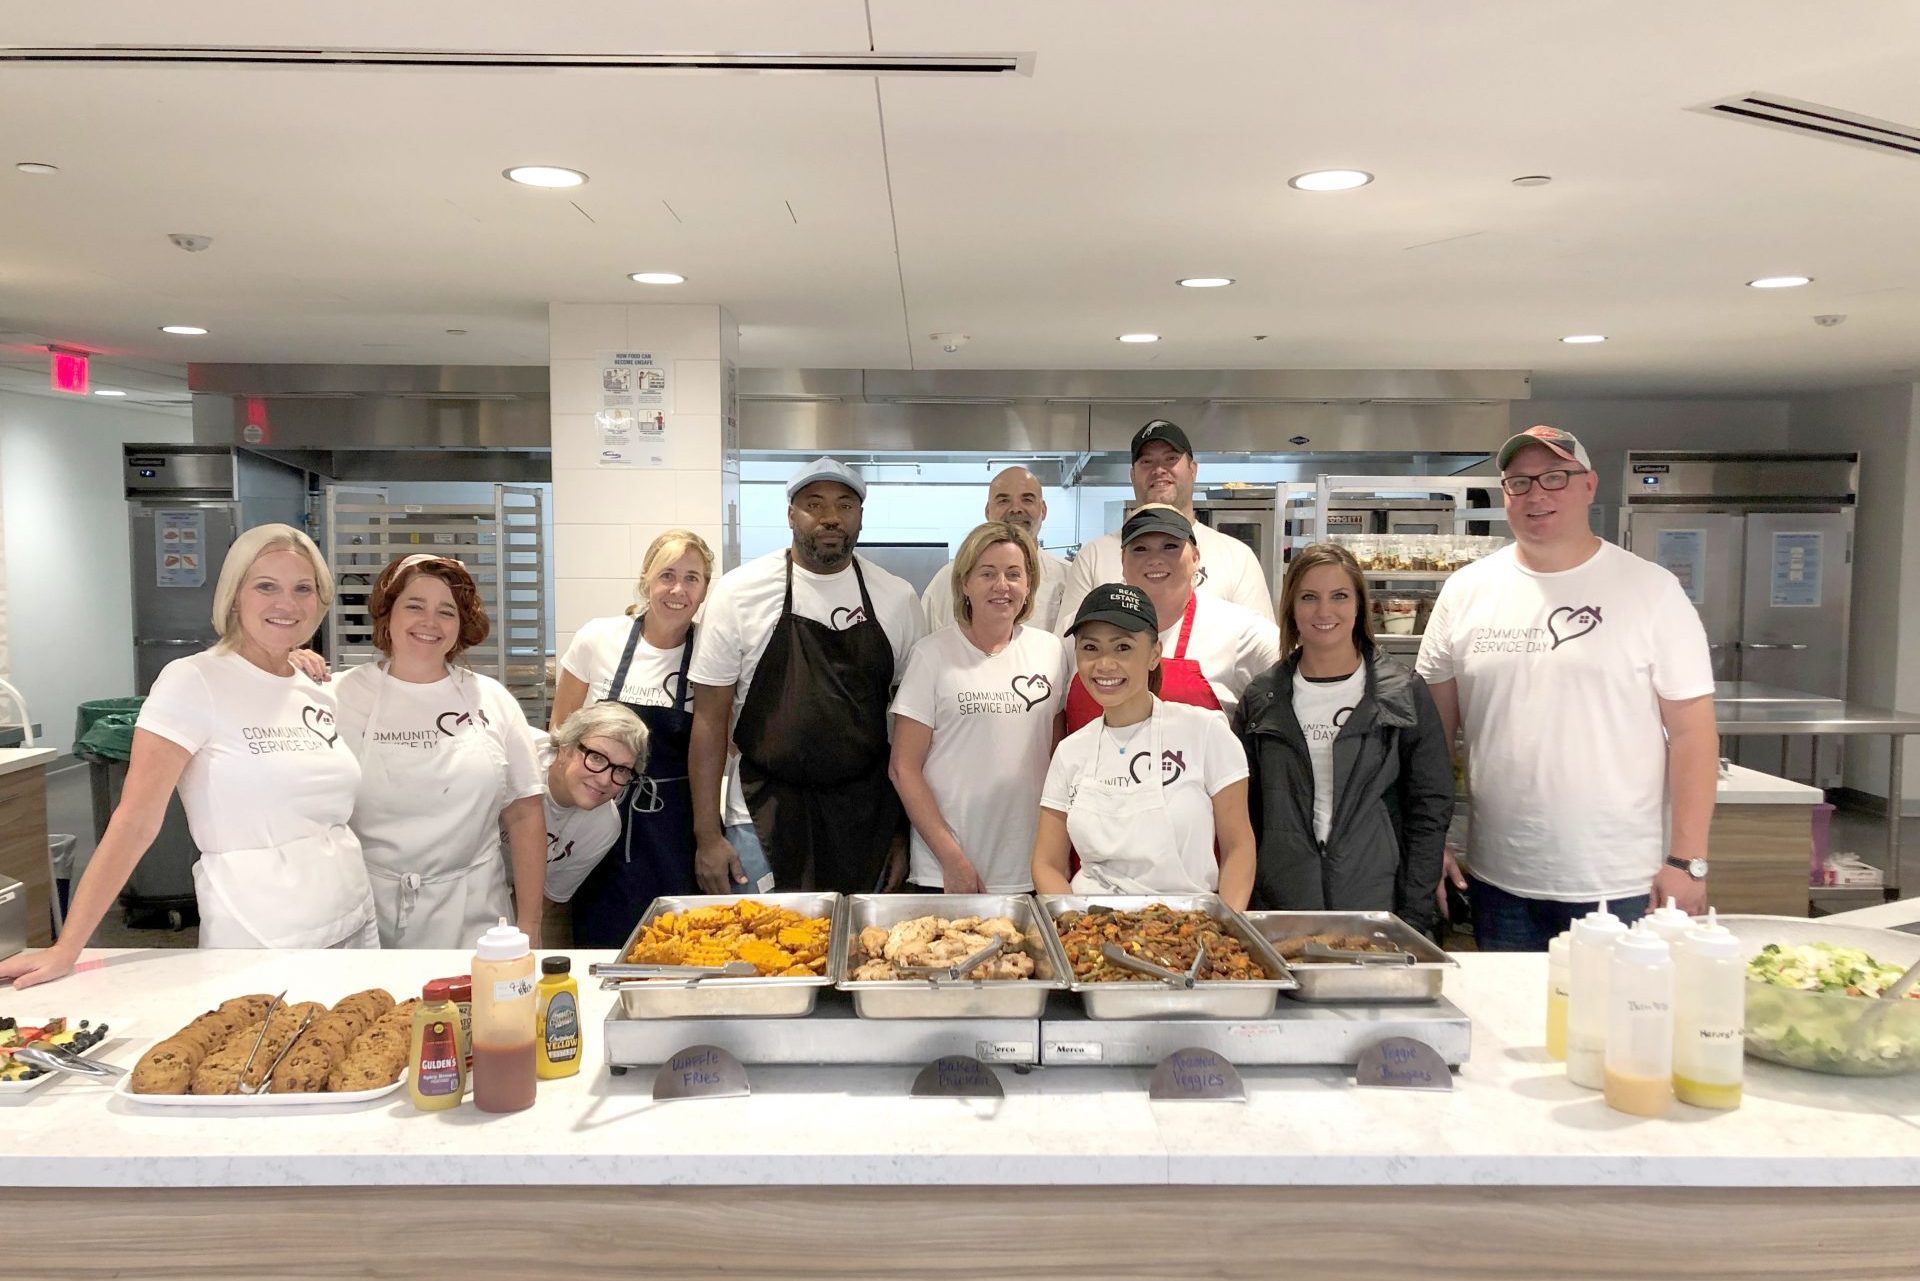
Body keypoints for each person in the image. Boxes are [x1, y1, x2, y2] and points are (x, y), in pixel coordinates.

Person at [1, 525, 377, 988]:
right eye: (266, 586)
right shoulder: (192, 681)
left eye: (304, 588)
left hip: (350, 915)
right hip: (259, 930)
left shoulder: (313, 689)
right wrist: (68, 946)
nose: (288, 604)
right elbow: (135, 820)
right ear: (234, 595)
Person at [1416, 424, 1718, 950]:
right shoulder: (1466, 590)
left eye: (1554, 477)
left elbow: (1694, 735)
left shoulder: (1652, 590)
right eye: (1519, 482)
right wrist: (1430, 840)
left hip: (1622, 882)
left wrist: (1687, 861)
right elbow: (1434, 737)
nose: (1536, 494)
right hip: (1498, 875)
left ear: (1589, 486)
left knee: (1617, 1027)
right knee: (1513, 1026)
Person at [689, 457, 926, 894]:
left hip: (866, 817)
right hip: (760, 813)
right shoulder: (738, 593)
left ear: (859, 516)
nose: (831, 517)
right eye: (814, 504)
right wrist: (707, 835)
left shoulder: (897, 598)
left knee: (862, 954)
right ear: (790, 515)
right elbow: (708, 719)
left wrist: (903, 832)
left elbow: (909, 732)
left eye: (845, 505)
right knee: (764, 956)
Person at [332, 554, 546, 949]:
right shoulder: (339, 696)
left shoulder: (492, 700)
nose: (429, 622)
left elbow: (525, 813)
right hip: (367, 908)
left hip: (473, 909)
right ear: (387, 613)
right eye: (414, 606)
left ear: (461, 625)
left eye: (446, 611)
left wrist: (531, 926)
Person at [1239, 543, 1453, 935]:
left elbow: (1429, 808)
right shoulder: (1262, 699)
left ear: (1359, 605)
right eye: (1309, 597)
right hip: (1284, 905)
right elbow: (1245, 816)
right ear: (1290, 607)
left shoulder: (1403, 692)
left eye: (1339, 596)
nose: (1324, 611)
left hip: (1375, 902)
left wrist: (1414, 915)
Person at [1031, 584, 1256, 907]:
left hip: (1190, 927)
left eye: (1122, 647)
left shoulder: (1205, 732)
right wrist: (1075, 922)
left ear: (1153, 654)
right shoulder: (1071, 751)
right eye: (1090, 648)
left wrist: (1228, 928)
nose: (1104, 664)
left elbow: (1239, 847)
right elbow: (1046, 863)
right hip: (1092, 926)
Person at [550, 529, 713, 947]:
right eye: (667, 575)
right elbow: (561, 732)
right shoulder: (598, 638)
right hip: (597, 817)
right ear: (646, 580)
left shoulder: (713, 652)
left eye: (692, 578)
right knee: (600, 938)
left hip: (674, 826)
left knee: (678, 942)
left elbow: (721, 745)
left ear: (705, 588)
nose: (678, 589)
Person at [890, 521, 1070, 894]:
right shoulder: (932, 655)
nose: (1001, 586)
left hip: (1028, 865)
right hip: (945, 868)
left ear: (1029, 585)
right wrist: (952, 859)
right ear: (964, 585)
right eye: (987, 573)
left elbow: (1055, 756)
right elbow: (903, 768)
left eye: (1013, 574)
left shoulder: (1049, 651)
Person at [1063, 505, 1279, 732]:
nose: (1155, 559)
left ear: (1196, 558)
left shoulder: (1242, 632)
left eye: (1170, 547)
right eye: (1140, 549)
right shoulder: (1078, 627)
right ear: (1123, 562)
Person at [1056, 419, 1276, 630]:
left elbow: (1265, 655)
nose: (1159, 469)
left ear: (1193, 469)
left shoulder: (1237, 557)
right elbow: (1070, 646)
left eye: (1171, 458)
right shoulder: (1094, 556)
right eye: (1147, 461)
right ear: (1132, 475)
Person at [534, 703, 650, 948]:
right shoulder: (519, 766)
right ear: (565, 748)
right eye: (596, 757)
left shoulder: (603, 827)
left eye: (621, 770)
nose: (604, 779)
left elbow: (548, 902)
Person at [921, 466, 1072, 632]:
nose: (1016, 509)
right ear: (987, 511)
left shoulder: (1069, 577)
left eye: (1027, 499)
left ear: (1043, 510)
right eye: (1003, 500)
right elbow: (926, 641)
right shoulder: (949, 578)